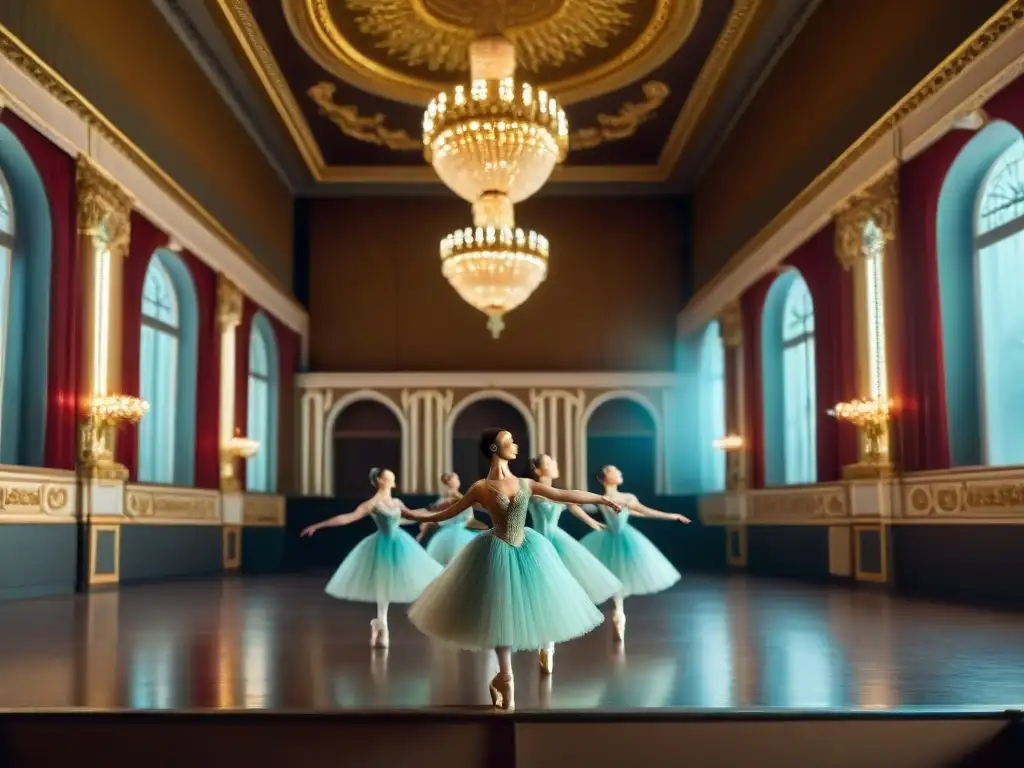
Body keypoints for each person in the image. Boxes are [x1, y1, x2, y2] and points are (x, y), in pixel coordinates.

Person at [403, 428, 622, 711]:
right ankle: (506, 676)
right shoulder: (480, 487)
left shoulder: (525, 484)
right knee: (500, 612)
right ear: (495, 449)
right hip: (495, 551)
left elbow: (563, 493)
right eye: (509, 442)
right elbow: (447, 513)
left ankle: (534, 657)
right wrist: (413, 515)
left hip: (528, 548)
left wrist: (602, 499)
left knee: (537, 602)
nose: (515, 445)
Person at [300, 467, 441, 648]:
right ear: (381, 480)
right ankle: (383, 626)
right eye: (389, 476)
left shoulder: (397, 502)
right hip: (381, 545)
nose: (392, 478)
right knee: (383, 584)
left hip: (400, 544)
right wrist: (319, 525)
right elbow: (347, 518)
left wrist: (439, 513)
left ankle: (380, 624)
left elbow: (411, 516)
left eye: (392, 476)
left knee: (394, 583)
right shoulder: (372, 504)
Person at [528, 453, 623, 674]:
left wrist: (593, 522)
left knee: (555, 592)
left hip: (557, 543)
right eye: (550, 463)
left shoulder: (559, 493)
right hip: (537, 542)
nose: (555, 465)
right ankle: (543, 642)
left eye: (554, 462)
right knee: (538, 593)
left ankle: (547, 644)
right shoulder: (530, 489)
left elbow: (575, 504)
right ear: (538, 470)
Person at [581, 464, 690, 642]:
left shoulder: (626, 497)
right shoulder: (600, 498)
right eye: (614, 471)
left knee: (620, 581)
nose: (619, 473)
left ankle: (619, 616)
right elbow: (580, 506)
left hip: (624, 540)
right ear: (604, 477)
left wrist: (671, 516)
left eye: (618, 470)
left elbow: (645, 512)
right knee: (611, 580)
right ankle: (617, 615)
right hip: (607, 538)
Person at [416, 472, 489, 564]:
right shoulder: (453, 498)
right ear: (451, 482)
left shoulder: (449, 498)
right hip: (457, 531)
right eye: (456, 479)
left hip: (452, 531)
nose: (458, 481)